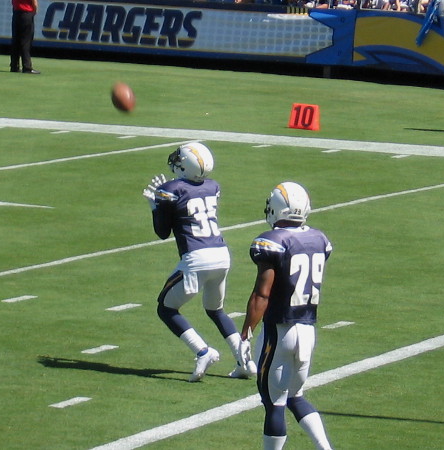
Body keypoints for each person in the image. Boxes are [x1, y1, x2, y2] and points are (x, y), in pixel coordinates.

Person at [142, 142, 256, 382]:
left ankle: (203, 351)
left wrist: (156, 206)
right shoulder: (213, 186)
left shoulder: (170, 189)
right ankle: (245, 362)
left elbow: (162, 232)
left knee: (165, 307)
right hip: (221, 255)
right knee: (216, 310)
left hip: (196, 258)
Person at [238, 182, 333, 450]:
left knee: (275, 404)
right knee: (296, 396)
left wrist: (246, 333)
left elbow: (262, 294)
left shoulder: (271, 241)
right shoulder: (320, 239)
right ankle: (325, 448)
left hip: (279, 331)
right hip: (307, 329)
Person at [10, 0, 40, 74]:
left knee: (16, 41)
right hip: (26, 12)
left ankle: (14, 66)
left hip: (16, 13)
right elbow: (34, 2)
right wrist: (35, 10)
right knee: (26, 41)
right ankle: (27, 67)